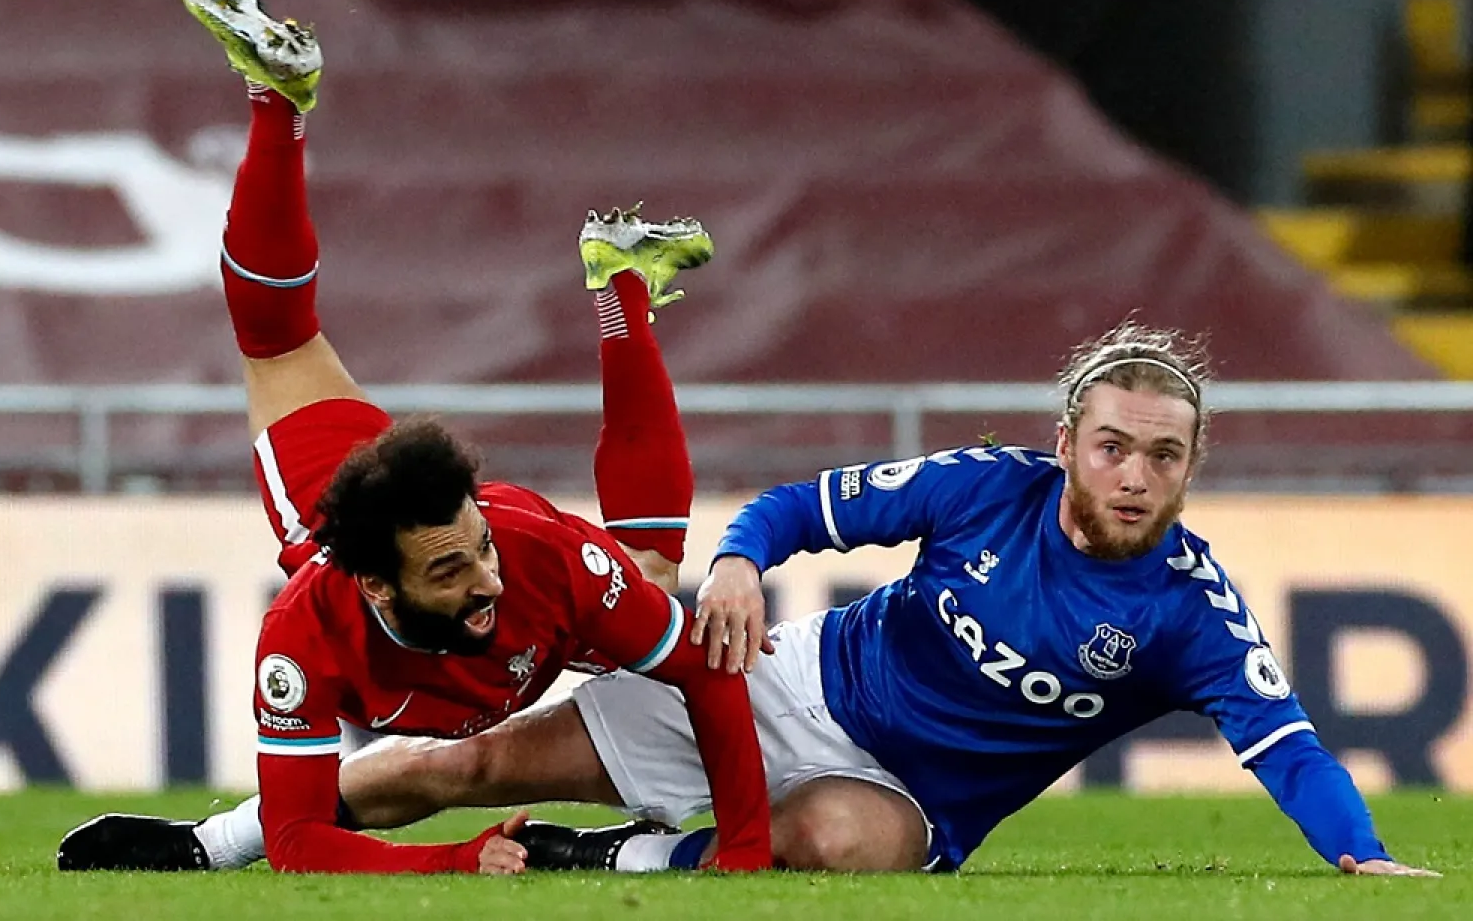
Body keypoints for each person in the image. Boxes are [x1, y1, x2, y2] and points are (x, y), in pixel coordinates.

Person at [220, 321, 1443, 876]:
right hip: (788, 685)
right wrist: (745, 562)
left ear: (1191, 467)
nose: (1136, 474)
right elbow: (802, 512)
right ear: (1069, 439)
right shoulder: (981, 489)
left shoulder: (1191, 609)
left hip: (906, 797)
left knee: (837, 848)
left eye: (1164, 456)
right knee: (469, 766)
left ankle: (605, 867)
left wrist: (1359, 853)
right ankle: (217, 841)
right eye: (1115, 444)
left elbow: (1282, 740)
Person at [55, 0, 771, 876]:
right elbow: (301, 842)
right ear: (380, 589)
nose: (487, 579)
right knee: (277, 342)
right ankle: (290, 105)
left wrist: (746, 854)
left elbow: (703, 670)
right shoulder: (305, 633)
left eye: (478, 547)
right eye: (453, 568)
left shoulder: (538, 562)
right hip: (334, 498)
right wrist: (455, 861)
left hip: (509, 556)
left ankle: (608, 283)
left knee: (647, 573)